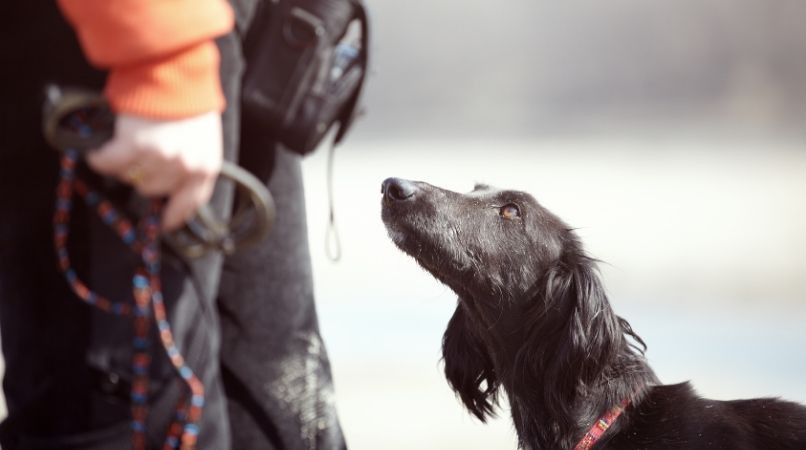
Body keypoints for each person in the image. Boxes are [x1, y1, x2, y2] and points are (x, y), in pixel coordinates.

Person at [0, 1, 345, 448]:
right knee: (129, 420)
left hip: (234, 36)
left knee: (281, 407)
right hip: (124, 50)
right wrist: (159, 59)